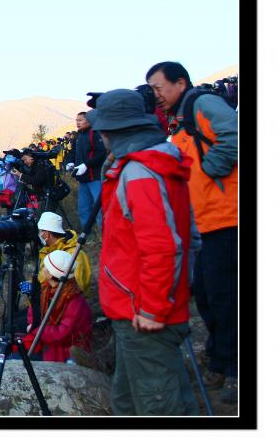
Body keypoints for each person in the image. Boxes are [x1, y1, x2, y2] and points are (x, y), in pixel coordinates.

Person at [89, 89, 198, 415]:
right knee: (127, 401)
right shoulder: (148, 165)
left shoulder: (140, 173)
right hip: (135, 308)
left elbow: (163, 246)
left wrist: (151, 308)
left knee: (159, 407)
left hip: (143, 312)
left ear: (112, 131)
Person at [146, 61, 238, 402]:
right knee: (210, 296)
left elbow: (235, 133)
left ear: (180, 82)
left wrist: (213, 168)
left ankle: (235, 370)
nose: (156, 96)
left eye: (159, 88)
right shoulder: (181, 123)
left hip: (229, 220)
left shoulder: (202, 103)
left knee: (226, 298)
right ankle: (222, 359)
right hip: (206, 225)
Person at [21, 250, 93, 363]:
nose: (42, 268)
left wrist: (34, 328)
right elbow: (33, 313)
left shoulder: (74, 301)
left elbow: (61, 334)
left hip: (64, 353)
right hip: (45, 343)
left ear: (50, 274)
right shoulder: (46, 289)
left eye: (45, 266)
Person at [36, 212, 92, 294]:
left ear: (47, 234)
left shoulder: (75, 255)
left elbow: (76, 289)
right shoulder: (47, 251)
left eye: (40, 231)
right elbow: (43, 278)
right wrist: (34, 287)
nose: (39, 235)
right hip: (52, 300)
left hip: (70, 304)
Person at [69, 111, 107, 229]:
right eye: (76, 120)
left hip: (95, 177)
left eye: (80, 120)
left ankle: (104, 234)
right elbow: (73, 152)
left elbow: (101, 153)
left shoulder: (95, 134)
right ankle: (87, 234)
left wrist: (86, 164)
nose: (78, 123)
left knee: (100, 208)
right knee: (83, 209)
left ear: (88, 120)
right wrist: (71, 162)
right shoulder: (78, 136)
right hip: (83, 180)